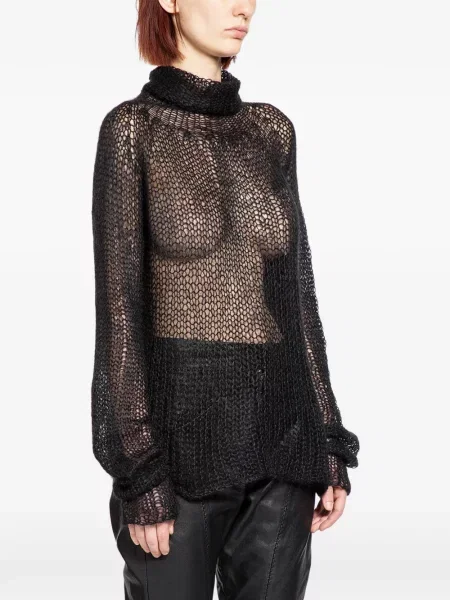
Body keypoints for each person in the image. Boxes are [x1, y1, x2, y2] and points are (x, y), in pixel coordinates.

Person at [90, 1, 361, 598]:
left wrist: (326, 438)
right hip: (178, 443)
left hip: (281, 438)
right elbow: (119, 312)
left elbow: (298, 299)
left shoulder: (271, 131)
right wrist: (140, 473)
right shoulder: (133, 129)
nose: (242, 8)